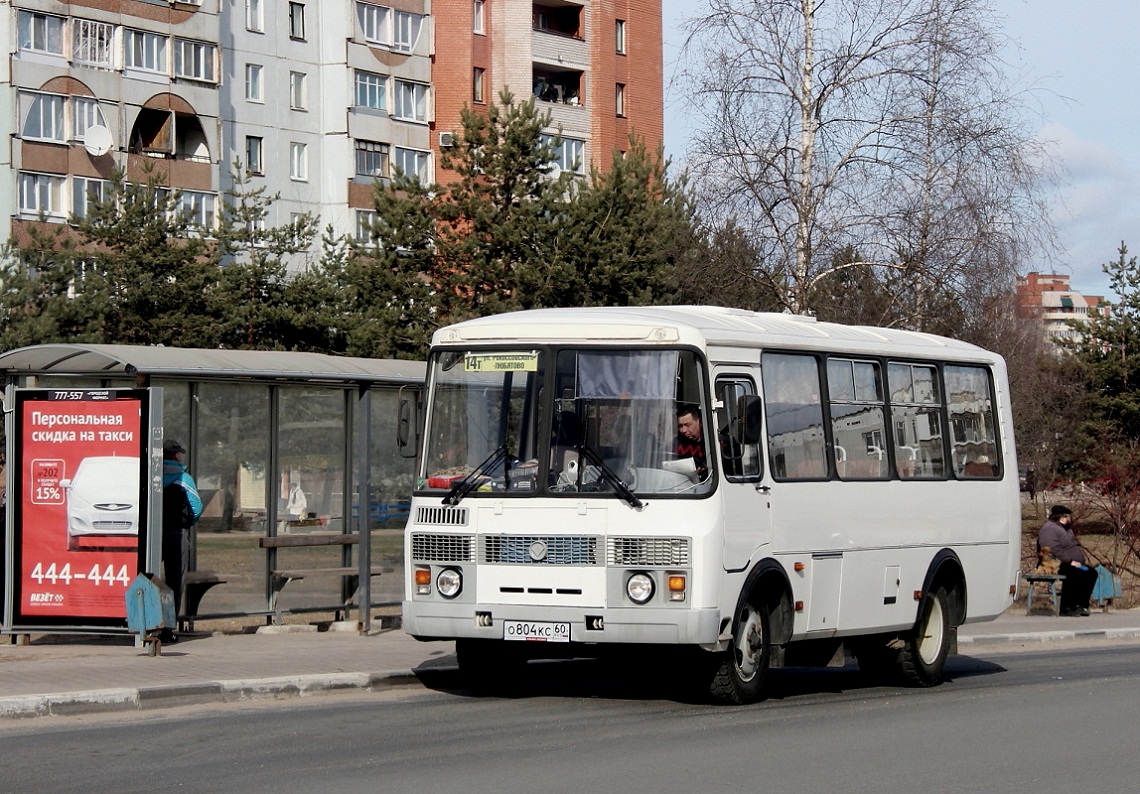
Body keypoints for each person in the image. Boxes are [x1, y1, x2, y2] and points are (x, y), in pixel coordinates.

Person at [161, 439, 203, 640]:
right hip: (177, 534)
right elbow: (196, 507)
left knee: (146, 576)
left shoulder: (151, 475)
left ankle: (144, 621)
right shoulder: (183, 478)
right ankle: (168, 628)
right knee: (174, 582)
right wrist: (186, 522)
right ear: (176, 455)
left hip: (153, 535)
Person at [1038, 504, 1098, 616]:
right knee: (1074, 573)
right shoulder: (1049, 529)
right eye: (1068, 516)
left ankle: (1081, 605)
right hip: (1055, 564)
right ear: (1062, 517)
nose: (1070, 519)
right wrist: (1070, 561)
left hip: (1073, 564)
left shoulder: (1066, 529)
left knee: (1090, 573)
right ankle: (1067, 607)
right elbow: (1051, 549)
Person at [675, 405, 708, 480]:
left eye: (687, 425)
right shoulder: (676, 444)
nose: (683, 430)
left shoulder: (714, 443)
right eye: (680, 426)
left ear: (700, 422)